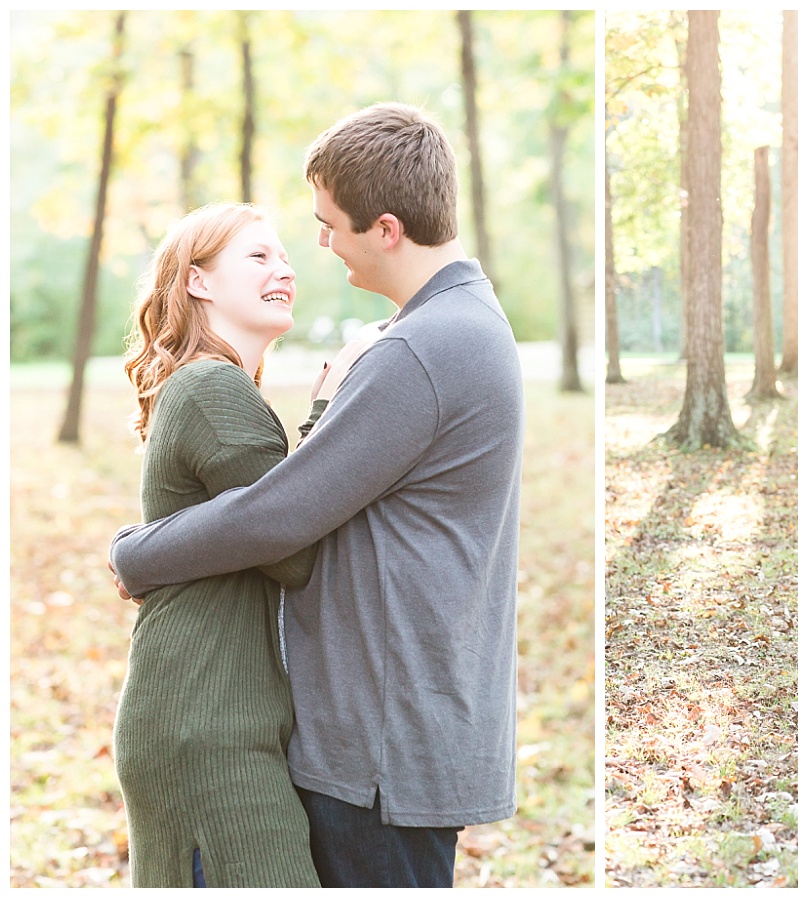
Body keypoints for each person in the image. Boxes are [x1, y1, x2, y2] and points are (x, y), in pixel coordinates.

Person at [110, 103, 525, 887]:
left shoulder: (422, 347)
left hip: (382, 743)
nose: (319, 246)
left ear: (388, 228)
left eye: (328, 225)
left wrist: (139, 553)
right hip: (377, 730)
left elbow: (283, 518)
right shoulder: (459, 327)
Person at [113, 202, 321, 887]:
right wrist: (328, 421)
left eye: (284, 256)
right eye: (257, 257)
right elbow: (292, 546)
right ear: (199, 282)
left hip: (206, 716)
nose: (282, 268)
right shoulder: (213, 387)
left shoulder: (211, 385)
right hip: (206, 726)